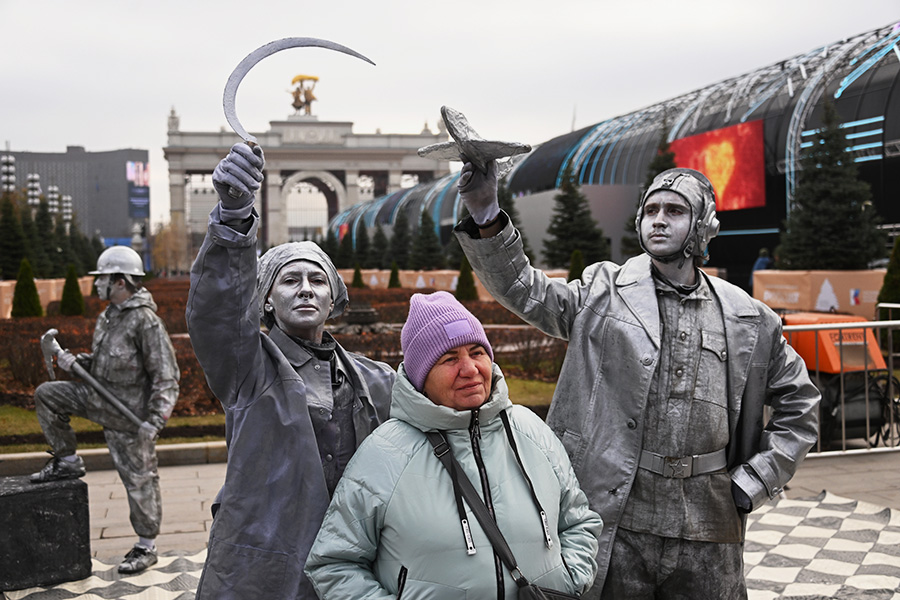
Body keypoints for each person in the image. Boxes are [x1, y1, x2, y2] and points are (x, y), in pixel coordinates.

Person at [453, 163, 820, 599]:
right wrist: (486, 213)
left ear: (703, 227)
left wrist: (757, 479)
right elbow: (524, 289)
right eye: (651, 210)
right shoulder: (601, 291)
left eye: (675, 210)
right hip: (618, 511)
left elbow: (801, 406)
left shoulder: (748, 319)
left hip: (710, 520)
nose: (659, 219)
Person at [186, 142, 395, 599]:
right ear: (266, 297)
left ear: (333, 299)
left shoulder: (374, 380)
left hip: (352, 566)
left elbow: (441, 404)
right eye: (290, 280)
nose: (305, 290)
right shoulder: (247, 367)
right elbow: (216, 312)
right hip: (266, 565)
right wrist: (234, 217)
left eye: (317, 280)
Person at [305, 291, 602, 599]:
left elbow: (579, 520)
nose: (470, 369)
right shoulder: (384, 454)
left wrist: (569, 579)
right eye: (450, 359)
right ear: (422, 376)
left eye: (477, 353)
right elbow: (334, 563)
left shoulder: (531, 431)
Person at [31, 245, 180, 574]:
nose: (97, 284)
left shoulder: (146, 322)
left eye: (102, 279)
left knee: (139, 480)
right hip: (99, 399)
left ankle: (146, 546)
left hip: (130, 416)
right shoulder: (109, 316)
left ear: (120, 282)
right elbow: (102, 366)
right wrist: (75, 362)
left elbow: (167, 377)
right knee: (48, 395)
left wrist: (154, 422)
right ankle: (67, 461)